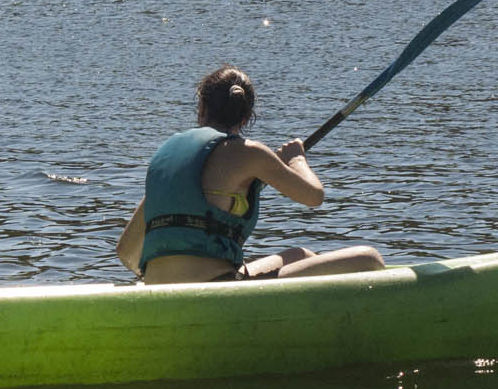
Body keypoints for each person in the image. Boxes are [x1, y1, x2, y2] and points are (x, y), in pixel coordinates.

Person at [116, 64, 385, 285]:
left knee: (300, 254)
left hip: (158, 288)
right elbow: (314, 196)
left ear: (201, 110)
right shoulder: (252, 153)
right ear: (245, 119)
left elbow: (126, 252)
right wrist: (297, 159)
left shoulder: (169, 157)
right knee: (369, 259)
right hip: (213, 292)